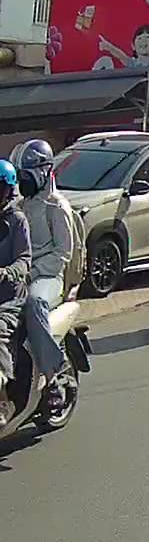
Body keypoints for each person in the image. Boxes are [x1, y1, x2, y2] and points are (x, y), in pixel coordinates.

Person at [15, 140, 74, 407]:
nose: (23, 181)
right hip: (21, 274)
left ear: (44, 170)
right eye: (20, 176)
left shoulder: (56, 206)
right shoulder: (19, 206)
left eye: (27, 175)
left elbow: (63, 252)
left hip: (48, 277)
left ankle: (53, 376)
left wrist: (33, 271)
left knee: (33, 302)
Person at [0, 161, 31, 428]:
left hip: (10, 299)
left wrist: (6, 272)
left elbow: (24, 260)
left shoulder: (17, 220)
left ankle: (3, 401)